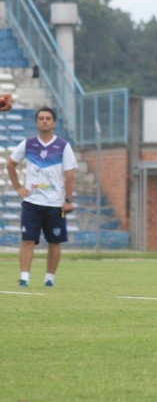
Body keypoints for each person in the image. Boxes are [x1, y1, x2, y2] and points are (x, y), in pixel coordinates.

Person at [6, 107, 78, 287]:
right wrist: (18, 187)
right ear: (37, 123)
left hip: (55, 204)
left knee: (54, 242)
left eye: (48, 118)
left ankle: (49, 279)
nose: (45, 121)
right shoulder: (28, 144)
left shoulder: (63, 146)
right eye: (41, 118)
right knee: (27, 240)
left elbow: (69, 174)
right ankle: (24, 278)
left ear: (54, 123)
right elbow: (10, 164)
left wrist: (68, 200)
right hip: (31, 202)